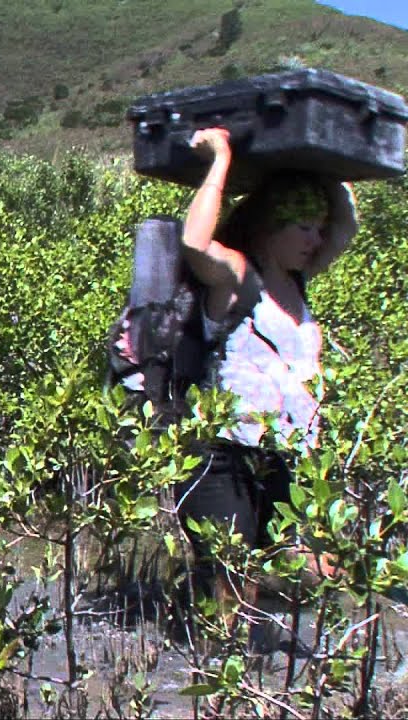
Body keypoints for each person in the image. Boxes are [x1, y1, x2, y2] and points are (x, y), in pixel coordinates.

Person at [174, 127, 358, 629]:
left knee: (311, 564)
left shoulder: (298, 281)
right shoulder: (238, 274)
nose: (316, 239)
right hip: (223, 453)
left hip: (286, 455)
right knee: (231, 579)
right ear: (269, 227)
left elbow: (347, 227)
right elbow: (194, 241)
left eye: (318, 228)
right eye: (303, 226)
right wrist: (221, 160)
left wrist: (332, 164)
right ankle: (215, 676)